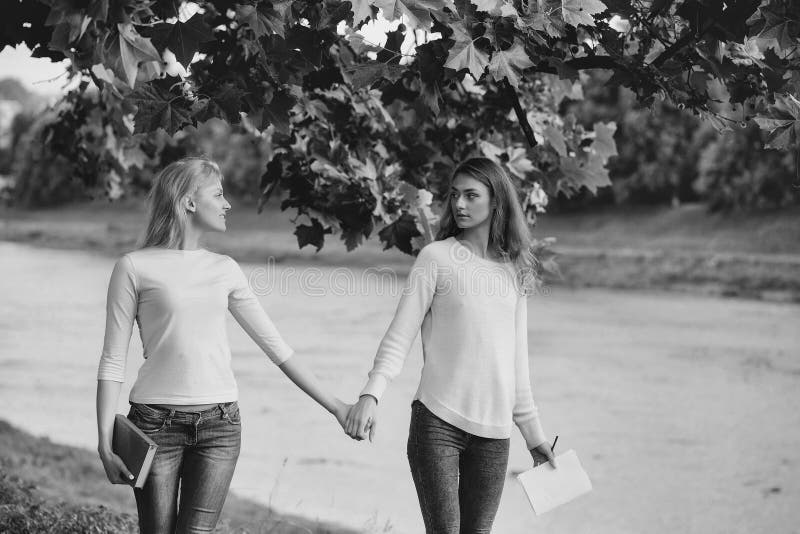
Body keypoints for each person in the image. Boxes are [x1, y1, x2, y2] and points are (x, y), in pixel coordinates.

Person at [95, 156, 350, 534]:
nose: (227, 203)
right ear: (188, 202)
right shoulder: (134, 267)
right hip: (154, 426)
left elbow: (276, 347)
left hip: (220, 426)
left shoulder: (225, 269)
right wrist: (104, 441)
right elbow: (113, 359)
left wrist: (338, 407)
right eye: (218, 193)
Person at [344, 157, 557, 533]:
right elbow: (400, 335)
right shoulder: (436, 257)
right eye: (455, 195)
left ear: (496, 202)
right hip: (438, 423)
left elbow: (515, 368)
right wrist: (371, 394)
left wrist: (535, 437)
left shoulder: (513, 271)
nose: (459, 204)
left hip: (495, 436)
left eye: (471, 196)